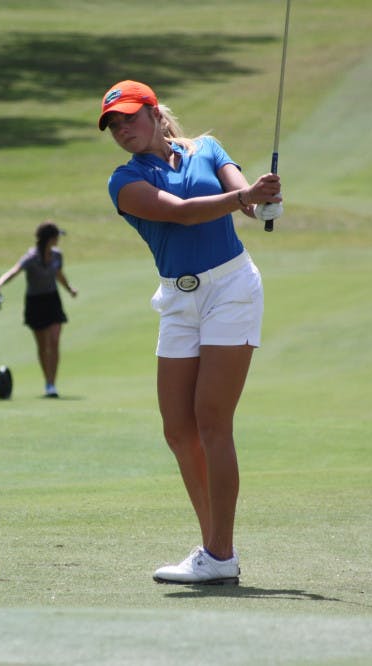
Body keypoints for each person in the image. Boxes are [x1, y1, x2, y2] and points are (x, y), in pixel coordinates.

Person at [98, 80, 282, 585]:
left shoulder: (208, 149)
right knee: (178, 430)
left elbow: (243, 199)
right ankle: (215, 550)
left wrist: (262, 201)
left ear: (155, 113)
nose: (122, 129)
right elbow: (177, 214)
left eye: (130, 117)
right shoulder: (124, 181)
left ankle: (218, 553)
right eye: (114, 124)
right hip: (178, 300)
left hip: (231, 288)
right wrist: (242, 196)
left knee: (210, 419)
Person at [0, 222, 78, 398]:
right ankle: (47, 380)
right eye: (57, 237)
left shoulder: (57, 256)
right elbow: (15, 271)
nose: (59, 240)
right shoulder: (31, 257)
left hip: (52, 300)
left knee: (54, 340)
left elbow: (59, 274)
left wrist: (69, 289)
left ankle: (52, 384)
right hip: (35, 302)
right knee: (43, 345)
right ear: (50, 238)